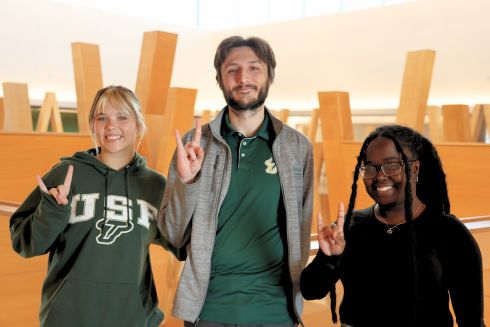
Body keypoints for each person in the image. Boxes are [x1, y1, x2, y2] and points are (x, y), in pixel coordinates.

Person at [157, 35, 314, 326]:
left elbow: (301, 229)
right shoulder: (195, 145)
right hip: (209, 309)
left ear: (269, 75)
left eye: (255, 68)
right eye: (232, 69)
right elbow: (172, 235)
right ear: (220, 79)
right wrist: (187, 182)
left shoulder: (297, 147)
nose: (244, 78)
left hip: (276, 311)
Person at [10, 85, 177, 327]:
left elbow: (183, 245)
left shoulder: (156, 186)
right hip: (66, 319)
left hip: (132, 320)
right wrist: (53, 211)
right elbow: (26, 244)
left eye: (122, 116)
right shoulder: (66, 174)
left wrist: (192, 185)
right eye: (102, 118)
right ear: (93, 125)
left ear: (138, 124)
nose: (111, 126)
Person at [300, 125, 485, 327]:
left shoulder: (450, 233)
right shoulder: (349, 227)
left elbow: (471, 320)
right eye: (369, 168)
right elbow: (311, 291)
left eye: (392, 165)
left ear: (414, 169)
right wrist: (329, 258)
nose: (379, 176)